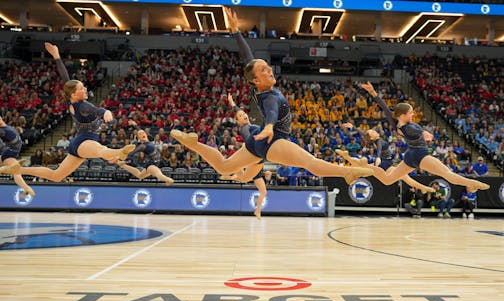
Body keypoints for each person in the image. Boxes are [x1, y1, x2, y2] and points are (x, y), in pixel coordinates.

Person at [173, 8, 373, 186]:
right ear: (256, 80)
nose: (269, 69)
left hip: (258, 140)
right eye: (264, 70)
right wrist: (269, 126)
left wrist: (236, 32)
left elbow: (248, 58)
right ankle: (348, 172)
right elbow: (271, 112)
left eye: (267, 66)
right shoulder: (268, 96)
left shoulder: (260, 87)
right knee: (310, 162)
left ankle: (193, 144)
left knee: (225, 167)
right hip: (272, 139)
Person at [0, 43, 135, 180]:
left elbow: (65, 77)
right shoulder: (82, 106)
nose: (85, 89)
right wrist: (105, 111)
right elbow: (97, 110)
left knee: (56, 176)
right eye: (82, 88)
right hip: (85, 141)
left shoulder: (71, 100)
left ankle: (19, 168)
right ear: (74, 94)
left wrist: (57, 56)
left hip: (80, 141)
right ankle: (120, 152)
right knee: (101, 150)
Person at [356, 82, 489, 193]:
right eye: (410, 112)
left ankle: (367, 167)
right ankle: (472, 183)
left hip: (410, 156)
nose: (413, 114)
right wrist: (424, 134)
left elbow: (383, 106)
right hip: (420, 155)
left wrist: (373, 92)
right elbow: (415, 132)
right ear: (402, 114)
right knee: (446, 173)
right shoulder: (407, 127)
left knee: (387, 180)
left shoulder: (397, 122)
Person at [337, 123, 434, 194]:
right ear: (372, 137)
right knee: (404, 177)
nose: (375, 131)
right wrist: (378, 157)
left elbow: (364, 134)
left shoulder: (374, 140)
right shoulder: (378, 141)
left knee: (361, 165)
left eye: (373, 131)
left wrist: (353, 127)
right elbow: (379, 149)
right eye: (373, 132)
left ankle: (347, 157)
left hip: (385, 163)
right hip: (384, 164)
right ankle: (423, 188)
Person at [116, 121, 174, 186]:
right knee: (159, 175)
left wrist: (134, 124)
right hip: (152, 165)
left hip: (153, 163)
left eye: (143, 133)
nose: (142, 134)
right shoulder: (142, 146)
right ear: (139, 138)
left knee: (140, 176)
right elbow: (131, 154)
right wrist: (123, 160)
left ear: (146, 134)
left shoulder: (148, 140)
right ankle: (169, 180)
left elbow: (139, 129)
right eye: (140, 134)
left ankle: (122, 165)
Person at [0, 115, 34, 196]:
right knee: (16, 172)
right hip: (12, 150)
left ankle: (6, 169)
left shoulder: (3, 129)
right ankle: (26, 188)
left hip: (10, 151)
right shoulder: (5, 129)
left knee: (16, 171)